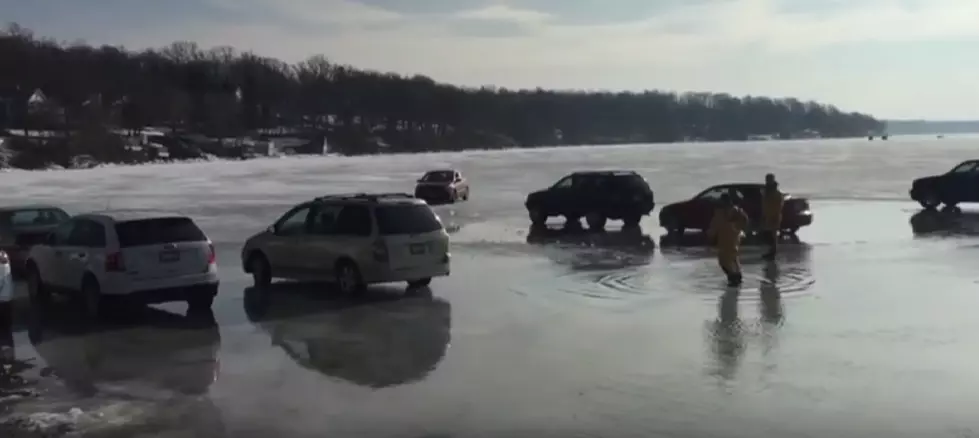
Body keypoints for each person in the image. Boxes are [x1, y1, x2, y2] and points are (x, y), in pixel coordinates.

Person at [707, 193, 749, 286]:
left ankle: (733, 279)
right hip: (735, 238)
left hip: (724, 239)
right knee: (734, 258)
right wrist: (739, 228)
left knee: (723, 262)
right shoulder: (737, 210)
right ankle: (737, 276)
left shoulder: (719, 214)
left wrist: (710, 236)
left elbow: (713, 228)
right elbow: (745, 220)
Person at [761, 173, 784, 260]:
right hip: (768, 215)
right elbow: (764, 204)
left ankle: (773, 252)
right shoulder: (766, 191)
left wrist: (775, 215)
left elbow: (779, 205)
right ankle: (770, 252)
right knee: (768, 235)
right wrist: (764, 215)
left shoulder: (775, 193)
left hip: (774, 216)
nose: (767, 181)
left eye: (769, 179)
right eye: (767, 179)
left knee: (773, 236)